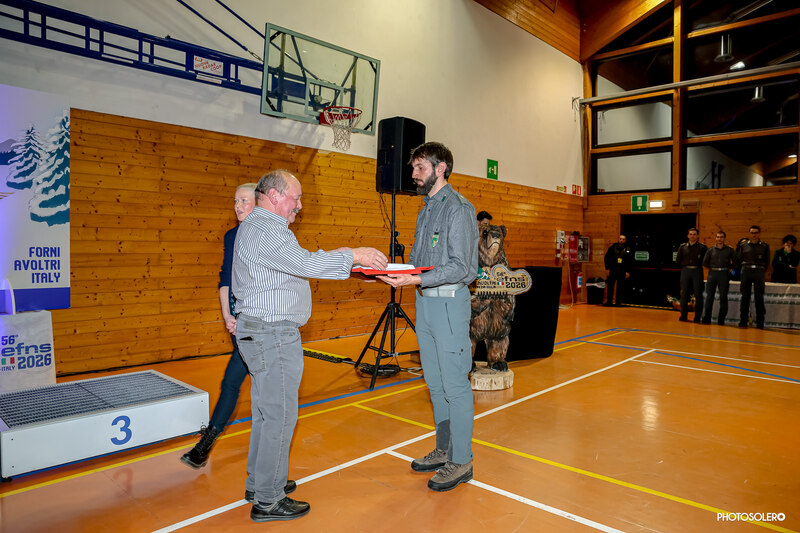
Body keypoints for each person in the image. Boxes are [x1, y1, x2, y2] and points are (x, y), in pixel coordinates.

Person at [232, 169, 387, 522]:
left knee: (266, 412)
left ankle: (260, 482)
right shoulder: (265, 229)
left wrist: (345, 257)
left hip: (262, 330)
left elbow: (296, 263)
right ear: (274, 196)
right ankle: (268, 500)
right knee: (280, 414)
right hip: (272, 333)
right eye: (296, 197)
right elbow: (305, 263)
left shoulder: (262, 228)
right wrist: (355, 254)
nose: (299, 206)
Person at [377, 142, 478, 492]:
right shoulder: (426, 210)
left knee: (455, 385)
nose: (414, 174)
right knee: (435, 384)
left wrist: (415, 279)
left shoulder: (459, 209)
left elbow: (462, 267)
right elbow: (422, 263)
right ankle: (444, 449)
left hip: (449, 305)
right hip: (426, 306)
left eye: (420, 168)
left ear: (441, 168)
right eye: (413, 168)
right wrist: (393, 272)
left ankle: (461, 460)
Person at [181, 183, 258, 469]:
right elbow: (225, 277)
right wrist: (227, 314)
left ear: (258, 203)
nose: (237, 206)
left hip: (261, 323)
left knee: (243, 384)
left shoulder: (269, 236)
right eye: (235, 201)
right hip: (240, 323)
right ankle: (206, 445)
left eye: (244, 201)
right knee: (232, 381)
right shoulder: (232, 236)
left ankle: (266, 467)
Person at [736, 225, 770, 328]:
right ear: (749, 233)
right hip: (746, 271)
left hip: (759, 271)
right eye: (752, 233)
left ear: (759, 233)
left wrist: (761, 270)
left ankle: (760, 322)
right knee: (745, 297)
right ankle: (743, 321)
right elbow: (739, 259)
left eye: (756, 233)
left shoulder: (764, 246)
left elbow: (767, 261)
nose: (754, 235)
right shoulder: (744, 245)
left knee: (759, 297)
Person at [701, 230, 734, 325]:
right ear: (715, 238)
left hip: (724, 274)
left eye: (721, 237)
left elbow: (736, 261)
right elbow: (704, 262)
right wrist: (712, 268)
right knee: (709, 297)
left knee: (723, 297)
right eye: (718, 237)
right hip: (712, 274)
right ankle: (707, 318)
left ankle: (721, 320)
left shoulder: (729, 250)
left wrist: (728, 268)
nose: (719, 239)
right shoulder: (710, 250)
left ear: (724, 238)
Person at [675, 228, 707, 322]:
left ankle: (697, 317)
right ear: (688, 236)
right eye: (691, 234)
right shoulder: (682, 247)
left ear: (697, 236)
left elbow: (706, 260)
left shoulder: (703, 248)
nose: (692, 236)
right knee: (684, 294)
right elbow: (678, 260)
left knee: (698, 295)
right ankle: (683, 316)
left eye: (694, 234)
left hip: (697, 271)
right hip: (685, 271)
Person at [603, 234, 632, 306]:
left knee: (620, 287)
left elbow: (630, 261)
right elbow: (606, 258)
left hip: (622, 270)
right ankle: (609, 302)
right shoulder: (612, 248)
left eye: (623, 239)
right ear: (618, 239)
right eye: (620, 239)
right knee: (610, 286)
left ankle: (618, 302)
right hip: (613, 269)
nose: (621, 240)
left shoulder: (628, 249)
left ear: (625, 240)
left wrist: (628, 271)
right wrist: (607, 269)